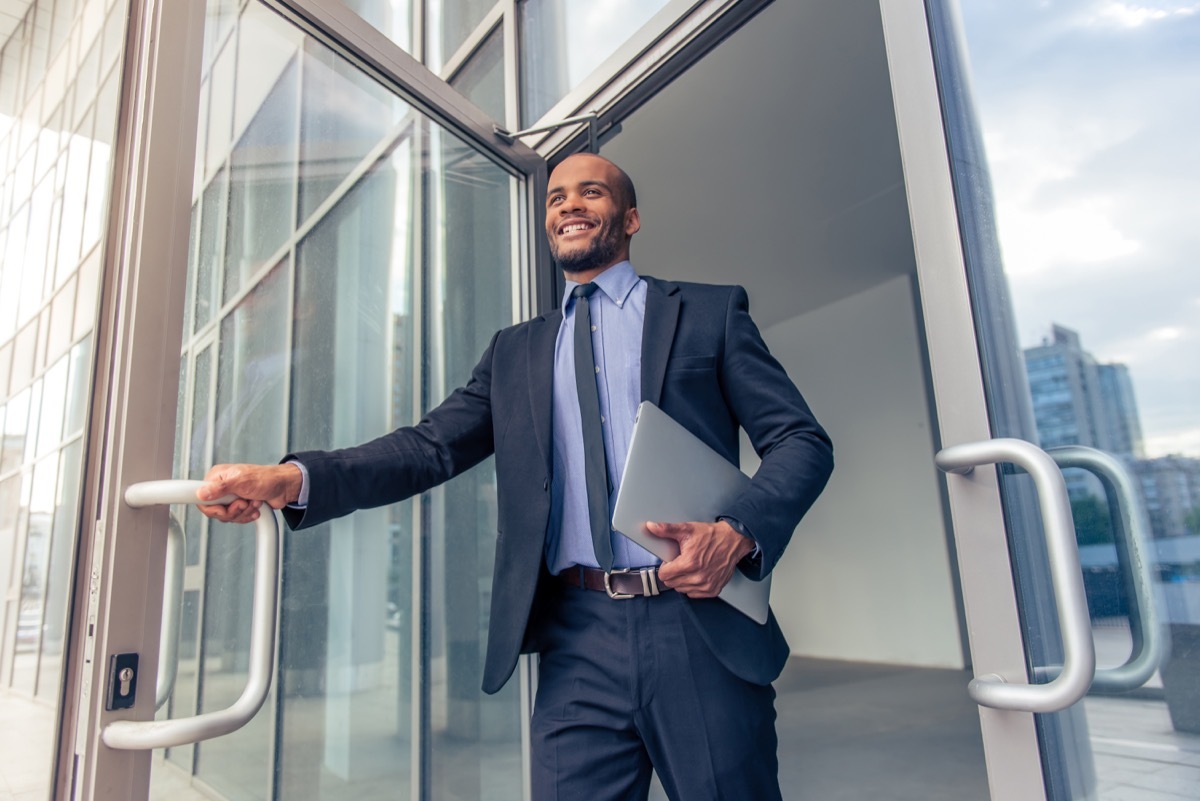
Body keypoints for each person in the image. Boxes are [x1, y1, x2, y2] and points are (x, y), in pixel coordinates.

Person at [198, 153, 834, 800]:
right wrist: (291, 478)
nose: (569, 205)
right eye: (556, 198)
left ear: (632, 218)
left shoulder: (706, 314)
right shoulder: (515, 353)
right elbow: (427, 449)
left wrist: (738, 532)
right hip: (577, 637)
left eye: (591, 192)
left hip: (699, 626)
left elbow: (801, 440)